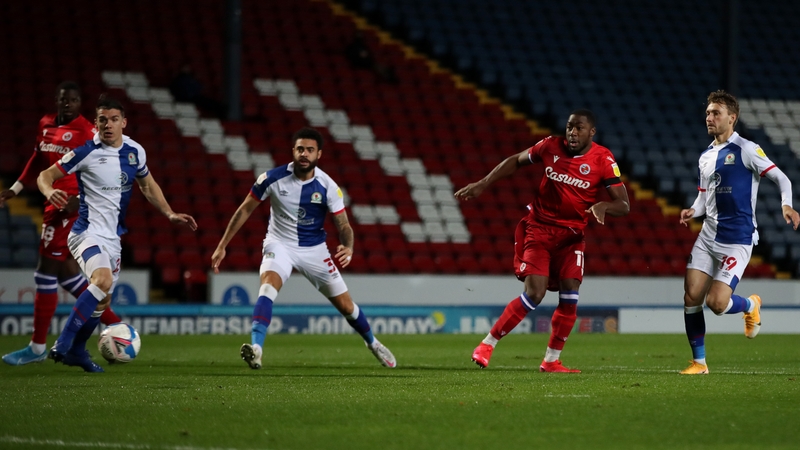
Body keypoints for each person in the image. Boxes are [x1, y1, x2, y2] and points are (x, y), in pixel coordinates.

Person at [455, 109, 630, 373]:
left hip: (571, 238)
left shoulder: (603, 159)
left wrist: (604, 206)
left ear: (591, 132)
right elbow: (515, 160)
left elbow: (624, 205)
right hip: (539, 230)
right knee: (535, 293)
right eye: (570, 127)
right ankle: (487, 344)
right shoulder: (549, 146)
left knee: (570, 296)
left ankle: (551, 361)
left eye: (579, 128)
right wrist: (483, 183)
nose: (572, 133)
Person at [211, 127, 396, 370]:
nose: (304, 154)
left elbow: (343, 225)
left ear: (319, 154)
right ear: (293, 151)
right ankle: (256, 349)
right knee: (267, 288)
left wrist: (348, 246)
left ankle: (372, 343)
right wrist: (222, 245)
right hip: (279, 244)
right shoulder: (271, 179)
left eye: (309, 150)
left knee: (347, 307)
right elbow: (245, 209)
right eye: (300, 149)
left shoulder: (328, 186)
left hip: (314, 250)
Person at [38, 95, 197, 372]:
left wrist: (169, 213)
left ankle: (77, 351)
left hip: (113, 238)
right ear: (96, 123)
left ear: (124, 122)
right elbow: (45, 176)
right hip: (86, 232)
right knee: (102, 279)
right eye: (102, 120)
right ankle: (63, 344)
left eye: (113, 119)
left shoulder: (135, 151)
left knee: (103, 299)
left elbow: (148, 185)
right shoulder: (86, 152)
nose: (108, 125)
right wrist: (50, 191)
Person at [678, 90, 799, 375]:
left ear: (732, 118)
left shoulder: (747, 149)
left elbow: (782, 178)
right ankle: (699, 363)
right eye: (708, 113)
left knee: (716, 303)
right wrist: (692, 210)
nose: (709, 117)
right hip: (708, 236)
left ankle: (749, 304)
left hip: (737, 240)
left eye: (716, 113)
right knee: (691, 296)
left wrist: (786, 205)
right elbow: (703, 198)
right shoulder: (706, 156)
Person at [1, 82, 122, 366]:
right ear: (57, 100)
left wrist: (80, 199)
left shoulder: (87, 131)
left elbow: (107, 169)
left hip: (71, 208)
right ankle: (117, 326)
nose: (68, 104)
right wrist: (16, 188)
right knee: (67, 275)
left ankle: (37, 347)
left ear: (81, 104)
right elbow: (38, 158)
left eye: (74, 100)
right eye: (64, 99)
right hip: (51, 203)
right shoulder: (45, 124)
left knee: (45, 272)